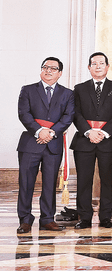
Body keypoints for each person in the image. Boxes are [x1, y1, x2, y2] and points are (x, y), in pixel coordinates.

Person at [16, 57, 75, 234]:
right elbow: (23, 113)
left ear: (60, 73)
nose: (48, 71)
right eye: (45, 67)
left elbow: (68, 116)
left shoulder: (67, 93)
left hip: (53, 144)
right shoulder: (28, 90)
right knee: (26, 183)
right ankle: (25, 219)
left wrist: (50, 133)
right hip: (30, 144)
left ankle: (47, 219)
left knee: (50, 184)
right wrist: (38, 131)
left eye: (53, 68)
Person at [71, 52, 112, 229]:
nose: (98, 66)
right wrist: (88, 132)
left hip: (107, 141)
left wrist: (104, 132)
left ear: (107, 67)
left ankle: (105, 217)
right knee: (84, 180)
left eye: (102, 63)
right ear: (89, 67)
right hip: (84, 141)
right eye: (94, 63)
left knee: (108, 180)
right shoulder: (79, 88)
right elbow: (76, 113)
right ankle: (84, 217)